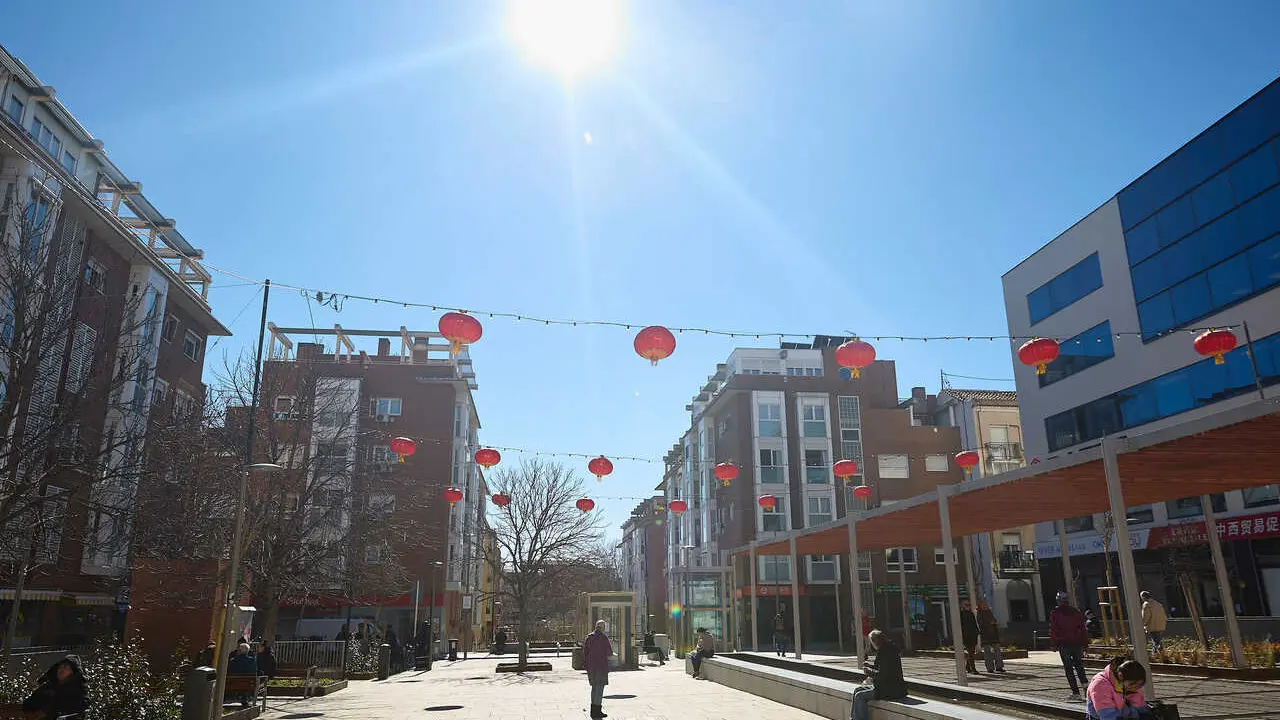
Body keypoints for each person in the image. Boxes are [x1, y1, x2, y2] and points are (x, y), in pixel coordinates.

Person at [850, 630, 907, 720]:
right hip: (888, 686)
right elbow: (883, 668)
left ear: (874, 641)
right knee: (857, 690)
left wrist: (869, 672)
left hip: (890, 689)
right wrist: (870, 666)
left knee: (859, 696)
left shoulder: (885, 653)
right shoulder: (887, 650)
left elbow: (882, 675)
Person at [1050, 590, 1090, 701]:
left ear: (1058, 600)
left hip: (1064, 643)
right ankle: (1087, 691)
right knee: (1080, 666)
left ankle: (1075, 692)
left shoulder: (1055, 612)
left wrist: (1054, 644)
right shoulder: (1075, 612)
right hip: (1077, 642)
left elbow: (1053, 629)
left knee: (1069, 669)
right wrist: (1085, 644)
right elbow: (1082, 628)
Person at [20, 655, 87, 720]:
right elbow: (30, 703)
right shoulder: (47, 687)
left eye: (66, 667)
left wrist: (49, 711)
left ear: (73, 672)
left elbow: (79, 706)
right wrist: (30, 711)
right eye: (61, 666)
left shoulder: (78, 689)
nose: (62, 669)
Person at [1085, 656, 1150, 720]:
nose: (1136, 688)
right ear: (1120, 676)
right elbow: (1107, 715)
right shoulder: (1100, 685)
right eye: (1133, 684)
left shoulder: (1132, 684)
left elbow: (1140, 707)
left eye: (1140, 685)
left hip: (1124, 715)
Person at [583, 620, 614, 719]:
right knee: (600, 689)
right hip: (601, 667)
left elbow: (585, 652)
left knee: (594, 688)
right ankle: (597, 711)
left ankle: (593, 711)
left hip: (591, 667)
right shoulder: (603, 638)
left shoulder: (589, 637)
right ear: (603, 627)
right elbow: (609, 653)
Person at [227, 642, 259, 708]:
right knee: (245, 681)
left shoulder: (233, 660)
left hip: (233, 684)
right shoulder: (252, 660)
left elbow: (229, 670)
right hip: (248, 684)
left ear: (240, 651)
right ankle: (244, 699)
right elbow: (255, 670)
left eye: (238, 650)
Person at [976, 601, 1006, 673]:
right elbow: (980, 624)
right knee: (987, 652)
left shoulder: (989, 612)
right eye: (983, 605)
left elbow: (994, 620)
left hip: (994, 635)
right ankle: (990, 668)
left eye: (986, 605)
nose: (985, 606)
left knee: (997, 651)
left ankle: (999, 666)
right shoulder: (979, 614)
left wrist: (994, 623)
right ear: (980, 606)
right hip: (985, 635)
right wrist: (989, 623)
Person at [959, 600, 980, 674]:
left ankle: (968, 667)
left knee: (971, 652)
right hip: (966, 636)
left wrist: (977, 632)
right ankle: (973, 668)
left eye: (969, 605)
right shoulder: (960, 614)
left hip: (973, 635)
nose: (968, 606)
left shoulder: (971, 613)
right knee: (970, 652)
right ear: (962, 606)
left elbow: (974, 623)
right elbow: (960, 626)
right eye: (966, 605)